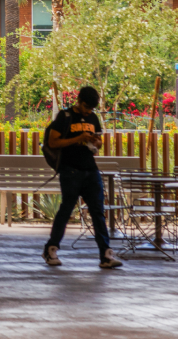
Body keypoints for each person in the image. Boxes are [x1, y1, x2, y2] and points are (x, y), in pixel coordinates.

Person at [42, 86, 123, 269]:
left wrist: (96, 142)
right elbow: (53, 142)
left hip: (91, 170)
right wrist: (78, 138)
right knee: (66, 210)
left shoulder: (93, 118)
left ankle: (105, 254)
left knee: (98, 212)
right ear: (79, 101)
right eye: (86, 107)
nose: (88, 111)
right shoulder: (65, 117)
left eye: (92, 108)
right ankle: (51, 248)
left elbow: (100, 143)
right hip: (70, 170)